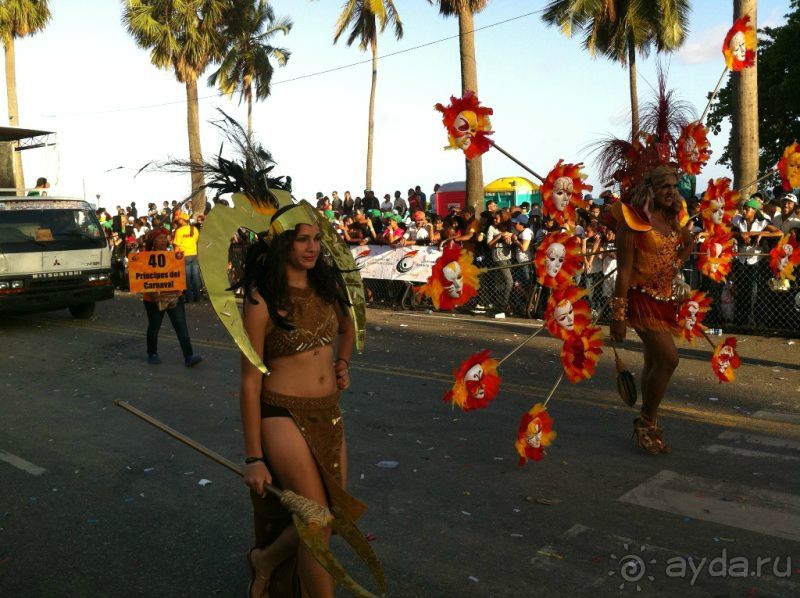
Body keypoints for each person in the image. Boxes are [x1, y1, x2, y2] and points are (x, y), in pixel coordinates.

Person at [237, 203, 363, 597]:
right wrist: (254, 458)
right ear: (283, 244)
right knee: (316, 519)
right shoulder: (262, 301)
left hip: (329, 414)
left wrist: (342, 362)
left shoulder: (327, 288)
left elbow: (349, 327)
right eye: (302, 239)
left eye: (316, 240)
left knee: (329, 517)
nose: (312, 248)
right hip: (282, 414)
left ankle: (268, 559)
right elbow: (249, 383)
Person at [610, 165, 694, 454]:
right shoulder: (632, 222)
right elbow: (623, 272)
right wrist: (618, 317)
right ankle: (647, 421)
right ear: (651, 191)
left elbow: (690, 242)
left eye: (674, 186)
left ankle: (646, 418)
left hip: (664, 298)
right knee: (669, 360)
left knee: (654, 362)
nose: (672, 192)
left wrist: (674, 265)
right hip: (639, 298)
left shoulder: (673, 218)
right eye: (665, 187)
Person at [139, 228, 203, 367]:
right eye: (160, 238)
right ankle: (152, 353)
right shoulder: (145, 257)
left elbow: (178, 275)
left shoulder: (173, 255)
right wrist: (153, 293)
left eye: (165, 237)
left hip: (175, 296)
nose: (163, 240)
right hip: (153, 299)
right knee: (154, 327)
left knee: (181, 326)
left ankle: (189, 356)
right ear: (153, 241)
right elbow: (142, 278)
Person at [172, 213, 202, 301]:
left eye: (178, 220)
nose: (177, 221)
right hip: (194, 255)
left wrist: (175, 258)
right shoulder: (194, 229)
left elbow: (176, 246)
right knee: (196, 277)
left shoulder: (179, 231)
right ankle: (198, 297)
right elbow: (197, 241)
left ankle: (189, 297)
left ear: (182, 220)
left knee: (187, 278)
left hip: (184, 256)